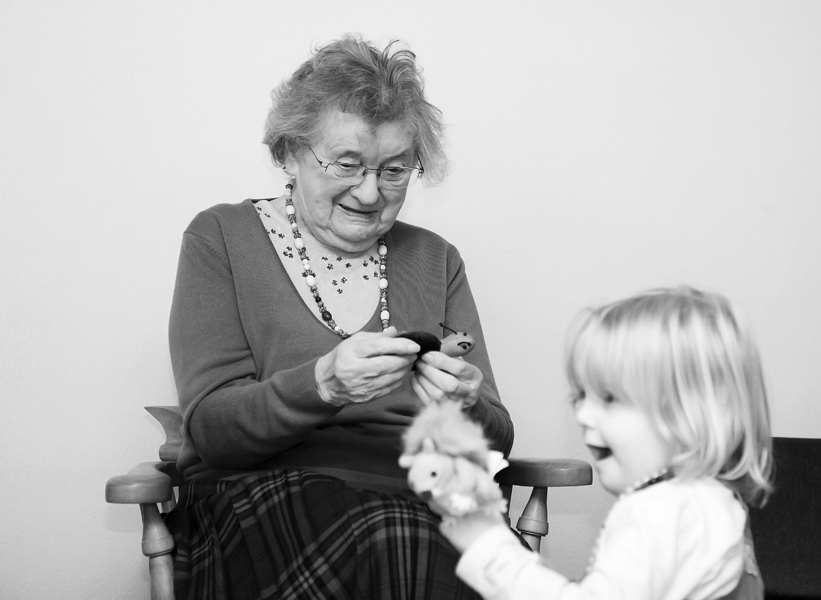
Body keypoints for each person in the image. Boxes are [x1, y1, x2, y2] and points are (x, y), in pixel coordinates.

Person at [164, 35, 513, 600]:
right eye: (347, 163)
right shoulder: (222, 238)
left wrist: (467, 404)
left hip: (424, 504)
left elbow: (496, 444)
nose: (370, 193)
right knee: (393, 540)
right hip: (266, 504)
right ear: (288, 153)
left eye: (394, 170)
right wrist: (322, 384)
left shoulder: (435, 260)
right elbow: (213, 433)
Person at [441, 287, 774, 600]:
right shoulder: (716, 502)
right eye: (580, 396)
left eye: (610, 398)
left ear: (691, 417)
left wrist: (489, 549)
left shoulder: (658, 514)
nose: (582, 414)